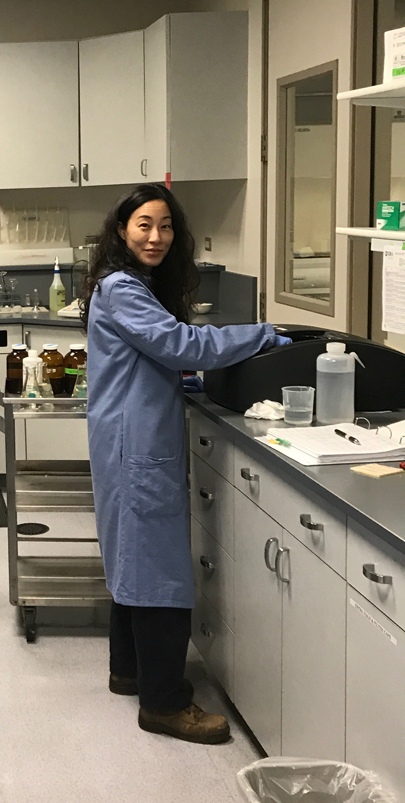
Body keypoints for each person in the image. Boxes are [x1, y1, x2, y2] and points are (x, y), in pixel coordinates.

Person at [82, 183, 289, 745]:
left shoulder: (128, 285)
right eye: (145, 224)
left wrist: (180, 378)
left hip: (128, 436)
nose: (157, 236)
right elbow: (179, 344)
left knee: (132, 557)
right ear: (123, 230)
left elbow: (152, 358)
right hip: (136, 446)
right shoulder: (123, 287)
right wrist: (261, 336)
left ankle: (128, 672)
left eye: (166, 225)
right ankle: (165, 703)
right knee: (159, 570)